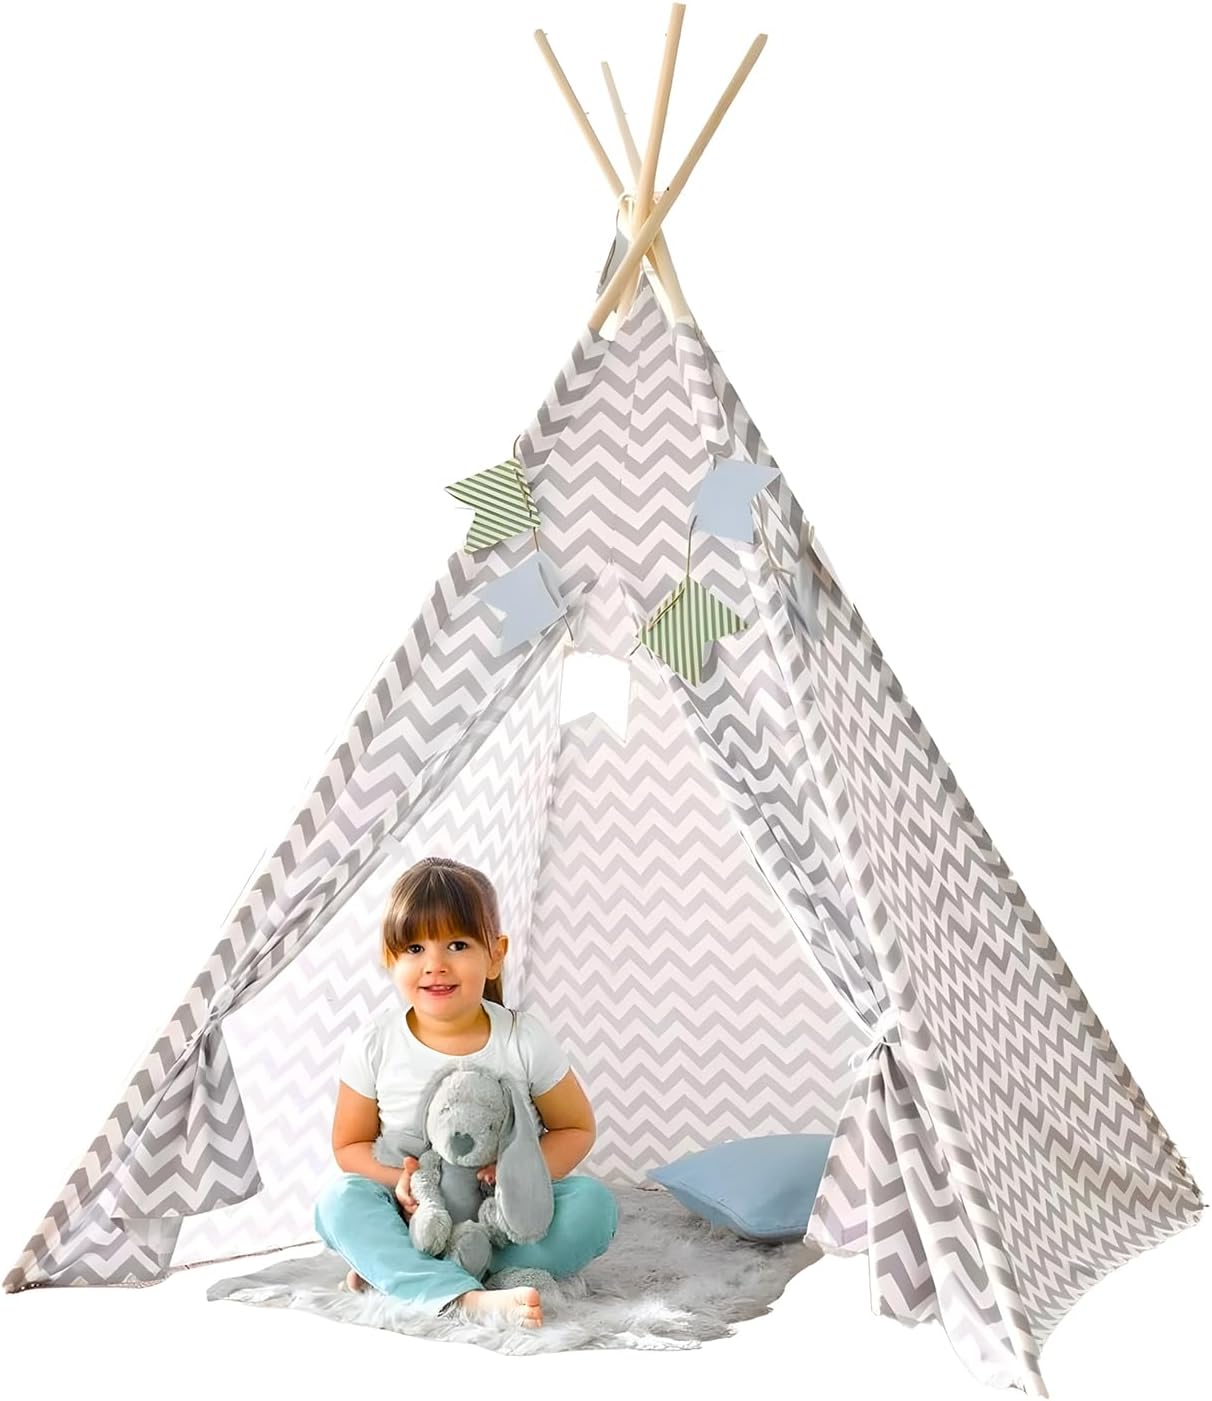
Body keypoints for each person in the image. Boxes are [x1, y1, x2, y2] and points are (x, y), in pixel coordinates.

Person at [313, 854, 618, 1328]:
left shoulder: (521, 1038)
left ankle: (411, 1275)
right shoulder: (376, 1042)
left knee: (594, 1205)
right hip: (415, 1216)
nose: (434, 965)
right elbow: (348, 1144)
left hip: (500, 1220)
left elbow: (575, 1128)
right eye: (414, 948)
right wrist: (398, 1182)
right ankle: (459, 1293)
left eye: (457, 944)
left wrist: (519, 1175)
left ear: (495, 954)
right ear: (390, 958)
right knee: (340, 1203)